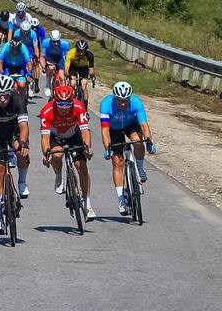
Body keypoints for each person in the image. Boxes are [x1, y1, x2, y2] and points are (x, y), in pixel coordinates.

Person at [99, 81, 157, 215]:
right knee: (118, 163)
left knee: (138, 141)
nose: (123, 103)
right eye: (120, 101)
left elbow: (144, 125)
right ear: (115, 98)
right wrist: (108, 148)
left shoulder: (136, 102)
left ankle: (140, 168)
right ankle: (121, 200)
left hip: (130, 125)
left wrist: (149, 142)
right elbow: (105, 131)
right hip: (113, 129)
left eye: (126, 100)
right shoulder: (106, 105)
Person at [40, 84, 95, 220]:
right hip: (56, 137)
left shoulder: (78, 107)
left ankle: (88, 205)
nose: (64, 108)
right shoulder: (46, 111)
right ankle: (58, 175)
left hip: (73, 135)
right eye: (61, 104)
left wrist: (88, 147)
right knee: (57, 155)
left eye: (67, 104)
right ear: (54, 101)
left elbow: (85, 131)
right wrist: (46, 154)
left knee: (81, 166)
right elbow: (45, 138)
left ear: (72, 101)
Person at [0, 73, 31, 199]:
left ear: (10, 93)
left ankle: (22, 182)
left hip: (12, 132)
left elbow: (23, 126)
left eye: (5, 95)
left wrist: (23, 142)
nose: (2, 99)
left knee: (22, 151)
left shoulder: (18, 100)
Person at [40, 29, 70, 96]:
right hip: (49, 57)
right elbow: (42, 57)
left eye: (57, 41)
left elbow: (66, 58)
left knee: (62, 78)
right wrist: (44, 67)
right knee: (50, 68)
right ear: (50, 39)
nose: (56, 43)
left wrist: (66, 68)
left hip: (60, 59)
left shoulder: (65, 44)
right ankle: (48, 84)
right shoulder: (45, 43)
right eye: (54, 41)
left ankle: (62, 93)